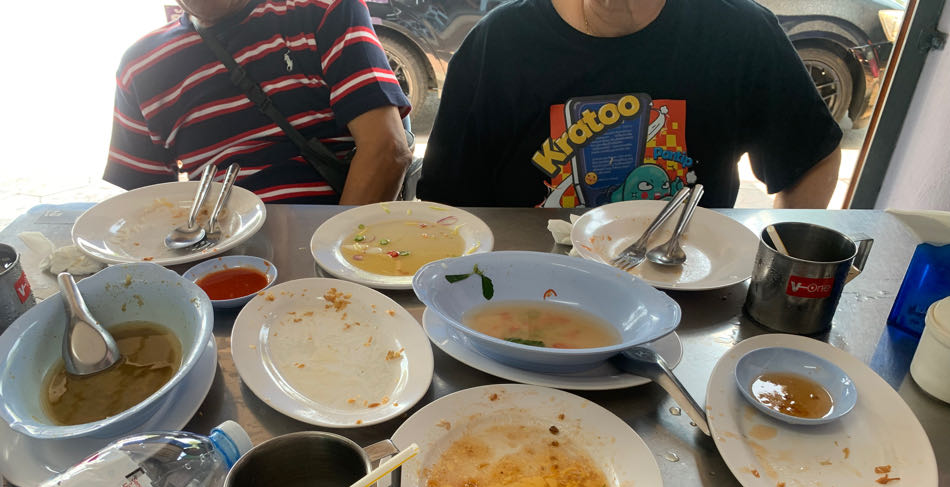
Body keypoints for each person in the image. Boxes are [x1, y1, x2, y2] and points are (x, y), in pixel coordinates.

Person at [419, 0, 842, 210]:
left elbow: (812, 160)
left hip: (687, 304)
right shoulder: (497, 43)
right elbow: (447, 208)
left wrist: (774, 277)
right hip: (528, 297)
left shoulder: (741, 33)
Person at [104, 0, 412, 205]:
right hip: (213, 256)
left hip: (331, 237)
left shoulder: (323, 9)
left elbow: (387, 151)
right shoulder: (141, 67)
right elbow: (139, 205)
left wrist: (332, 265)